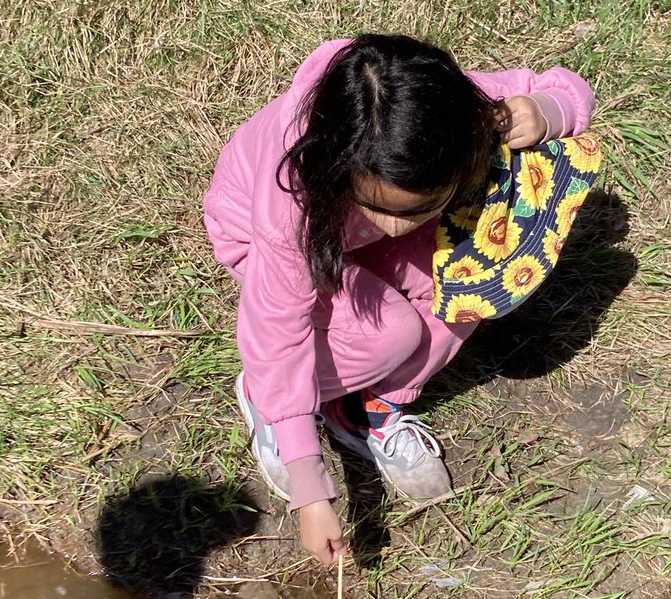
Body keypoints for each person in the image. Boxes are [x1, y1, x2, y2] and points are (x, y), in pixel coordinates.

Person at [204, 34, 595, 566]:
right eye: (376, 205)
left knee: (469, 277)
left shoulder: (457, 112)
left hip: (357, 239)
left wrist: (544, 112)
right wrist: (310, 488)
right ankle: (269, 402)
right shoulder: (290, 203)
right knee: (389, 334)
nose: (392, 225)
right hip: (280, 241)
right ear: (338, 167)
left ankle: (370, 406)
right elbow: (278, 330)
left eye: (415, 208)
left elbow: (567, 87)